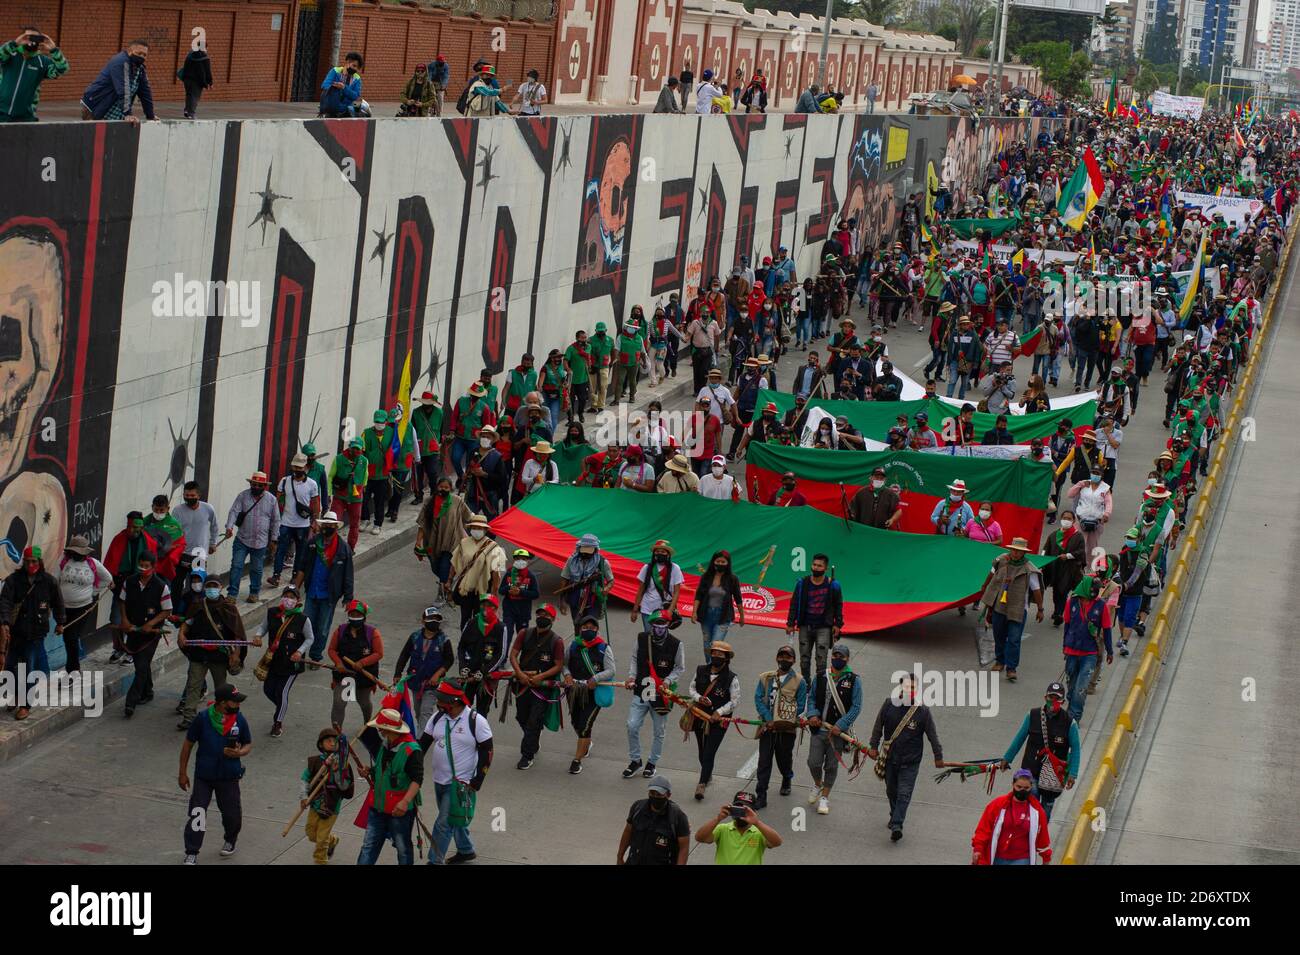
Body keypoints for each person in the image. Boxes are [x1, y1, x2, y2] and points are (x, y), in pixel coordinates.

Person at [416, 677, 492, 865]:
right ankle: (466, 850)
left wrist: (478, 779)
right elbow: (422, 745)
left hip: (461, 784)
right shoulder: (437, 718)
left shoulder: (476, 721)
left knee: (443, 823)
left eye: (441, 700)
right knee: (454, 817)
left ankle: (434, 861)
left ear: (454, 702)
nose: (438, 703)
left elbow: (487, 751)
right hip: (439, 780)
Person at [867, 673, 944, 841]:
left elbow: (932, 736)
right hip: (890, 758)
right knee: (891, 791)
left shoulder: (923, 711)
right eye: (907, 686)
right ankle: (895, 813)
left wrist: (938, 756)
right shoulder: (889, 704)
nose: (910, 690)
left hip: (911, 761)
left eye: (913, 687)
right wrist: (873, 746)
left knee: (904, 793)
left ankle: (897, 824)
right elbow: (878, 727)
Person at [179, 684, 250, 864]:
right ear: (223, 703)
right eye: (234, 702)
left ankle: (230, 839)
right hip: (204, 775)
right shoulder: (202, 719)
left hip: (229, 776)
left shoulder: (239, 719)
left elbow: (248, 743)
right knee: (198, 813)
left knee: (232, 814)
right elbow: (188, 745)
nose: (238, 705)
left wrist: (239, 753)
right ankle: (192, 851)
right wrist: (182, 773)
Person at [0, 547, 66, 720]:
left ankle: (25, 705)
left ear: (40, 562)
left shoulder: (49, 581)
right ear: (24, 562)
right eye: (28, 561)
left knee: (29, 669)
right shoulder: (13, 580)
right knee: (9, 667)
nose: (31, 564)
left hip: (36, 633)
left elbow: (58, 603)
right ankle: (15, 696)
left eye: (34, 561)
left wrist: (60, 622)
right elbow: (5, 602)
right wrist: (5, 622)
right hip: (15, 632)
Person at [1001, 683, 1079, 821]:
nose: (1053, 701)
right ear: (1045, 697)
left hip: (1054, 775)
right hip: (1031, 770)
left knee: (1045, 812)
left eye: (1057, 698)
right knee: (1033, 807)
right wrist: (1007, 758)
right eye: (1050, 697)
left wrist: (1073, 773)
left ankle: (1041, 831)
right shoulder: (1032, 715)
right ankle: (1032, 830)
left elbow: (1076, 749)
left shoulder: (1069, 723)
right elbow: (1019, 738)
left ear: (1063, 701)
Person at [355, 707, 422, 865]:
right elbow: (382, 770)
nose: (378, 730)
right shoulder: (386, 744)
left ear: (388, 729)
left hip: (399, 811)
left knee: (402, 848)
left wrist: (405, 802)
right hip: (377, 807)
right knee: (369, 846)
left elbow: (417, 780)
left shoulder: (412, 750)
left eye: (381, 727)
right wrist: (369, 771)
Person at [623, 611, 685, 779]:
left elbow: (679, 667)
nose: (659, 628)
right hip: (642, 689)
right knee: (632, 725)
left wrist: (668, 681)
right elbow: (634, 658)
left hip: (660, 694)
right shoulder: (641, 638)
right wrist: (631, 676)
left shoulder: (676, 644)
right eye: (656, 625)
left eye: (662, 625)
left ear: (668, 625)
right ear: (651, 625)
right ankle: (635, 760)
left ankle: (652, 763)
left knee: (659, 731)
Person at [804, 642, 861, 816]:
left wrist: (840, 725)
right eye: (835, 655)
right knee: (813, 762)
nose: (837, 658)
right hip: (819, 729)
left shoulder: (854, 680)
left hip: (837, 734)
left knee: (831, 766)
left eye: (841, 656)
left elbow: (856, 707)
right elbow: (811, 698)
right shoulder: (821, 676)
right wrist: (812, 714)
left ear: (847, 659)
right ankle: (818, 784)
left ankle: (825, 797)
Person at [290, 511, 354, 663]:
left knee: (322, 628)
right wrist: (294, 590)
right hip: (312, 592)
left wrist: (348, 597)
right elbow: (302, 567)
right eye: (325, 525)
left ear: (335, 527)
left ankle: (316, 656)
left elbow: (348, 574)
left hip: (329, 596)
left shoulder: (343, 549)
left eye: (330, 526)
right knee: (305, 625)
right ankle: (300, 654)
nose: (327, 528)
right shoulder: (312, 544)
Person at [977, 538, 1043, 682]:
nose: (1015, 553)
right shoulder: (1001, 561)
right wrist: (985, 586)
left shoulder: (1029, 569)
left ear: (1024, 553)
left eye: (1019, 551)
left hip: (1018, 609)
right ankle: (1000, 661)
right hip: (999, 606)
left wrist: (1040, 609)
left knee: (1014, 639)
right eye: (1014, 550)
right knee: (999, 635)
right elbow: (991, 574)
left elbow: (1036, 590)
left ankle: (1011, 668)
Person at [508, 603, 564, 770]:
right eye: (540, 614)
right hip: (522, 683)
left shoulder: (556, 641)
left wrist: (541, 676)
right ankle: (533, 739)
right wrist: (519, 673)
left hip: (542, 687)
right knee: (521, 717)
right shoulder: (524, 633)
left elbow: (558, 665)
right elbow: (513, 655)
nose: (542, 617)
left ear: (553, 619)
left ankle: (527, 755)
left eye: (546, 615)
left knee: (534, 720)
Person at [256, 584, 312, 737]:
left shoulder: (303, 619)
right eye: (286, 596)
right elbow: (263, 627)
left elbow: (310, 638)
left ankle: (278, 722)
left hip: (291, 665)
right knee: (268, 690)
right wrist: (258, 636)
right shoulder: (272, 613)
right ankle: (282, 706)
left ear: (297, 600)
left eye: (292, 597)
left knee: (281, 692)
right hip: (273, 661)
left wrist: (299, 652)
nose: (288, 599)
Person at [562, 615, 617, 774]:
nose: (588, 630)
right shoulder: (573, 646)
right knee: (576, 722)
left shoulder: (603, 648)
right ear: (580, 629)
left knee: (585, 725)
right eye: (585, 627)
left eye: (592, 628)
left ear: (597, 630)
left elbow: (611, 670)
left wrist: (596, 678)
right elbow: (564, 665)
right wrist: (567, 674)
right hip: (574, 691)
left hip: (593, 693)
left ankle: (577, 760)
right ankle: (586, 743)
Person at [753, 645, 805, 810]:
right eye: (781, 656)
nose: (784, 659)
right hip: (767, 728)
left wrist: (784, 720)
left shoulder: (800, 681)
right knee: (764, 762)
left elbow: (801, 705)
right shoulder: (766, 677)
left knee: (784, 760)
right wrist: (768, 719)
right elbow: (758, 698)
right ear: (776, 658)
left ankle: (787, 777)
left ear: (794, 660)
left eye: (788, 657)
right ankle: (761, 795)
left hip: (786, 730)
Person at [688, 641, 740, 801]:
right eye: (714, 653)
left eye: (720, 654)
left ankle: (702, 784)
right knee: (702, 750)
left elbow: (735, 701)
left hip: (719, 721)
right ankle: (707, 773)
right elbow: (691, 688)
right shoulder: (700, 670)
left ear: (726, 658)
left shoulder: (732, 678)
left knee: (710, 751)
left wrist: (719, 711)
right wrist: (699, 698)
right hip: (699, 715)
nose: (716, 656)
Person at [298, 726, 355, 864]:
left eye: (334, 740)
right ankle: (333, 840)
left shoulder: (342, 764)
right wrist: (304, 797)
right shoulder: (314, 761)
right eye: (328, 740)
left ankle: (320, 860)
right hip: (315, 804)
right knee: (311, 834)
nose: (332, 743)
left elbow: (344, 786)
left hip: (332, 806)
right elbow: (305, 779)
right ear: (320, 744)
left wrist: (337, 772)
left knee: (321, 838)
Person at [1060, 574, 1114, 722]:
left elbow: (1107, 629)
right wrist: (1065, 646)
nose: (1095, 592)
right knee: (1071, 686)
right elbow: (1067, 625)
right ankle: (1070, 710)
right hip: (1071, 651)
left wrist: (1110, 651)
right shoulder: (1071, 602)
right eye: (1093, 589)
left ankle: (1074, 717)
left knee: (1081, 687)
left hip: (1090, 653)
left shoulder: (1101, 606)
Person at [971, 770, 1052, 865]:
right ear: (1013, 785)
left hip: (1022, 859)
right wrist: (978, 849)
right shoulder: (997, 805)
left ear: (1031, 787)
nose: (1022, 790)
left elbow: (1042, 836)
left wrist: (1046, 858)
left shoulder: (1037, 811)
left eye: (1026, 788)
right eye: (1019, 787)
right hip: (996, 856)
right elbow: (983, 829)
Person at [56, 536, 112, 675]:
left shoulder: (93, 563)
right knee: (68, 638)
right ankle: (74, 669)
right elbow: (54, 579)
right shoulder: (63, 560)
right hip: (63, 607)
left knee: (71, 638)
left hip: (82, 608)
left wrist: (93, 592)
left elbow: (107, 579)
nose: (78, 555)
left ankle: (73, 671)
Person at [225, 470, 280, 604]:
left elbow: (276, 520)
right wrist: (229, 527)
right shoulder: (242, 496)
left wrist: (274, 539)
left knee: (256, 569)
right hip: (242, 539)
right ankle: (232, 594)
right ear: (250, 484)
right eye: (254, 484)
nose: (256, 487)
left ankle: (254, 593)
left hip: (260, 542)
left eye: (259, 485)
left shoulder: (272, 500)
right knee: (236, 566)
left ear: (264, 486)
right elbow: (234, 511)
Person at [394, 606, 454, 728]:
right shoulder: (415, 637)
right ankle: (426, 731)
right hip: (415, 681)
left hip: (432, 684)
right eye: (430, 618)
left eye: (436, 619)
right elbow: (404, 655)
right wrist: (397, 673)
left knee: (426, 712)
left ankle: (421, 738)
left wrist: (437, 675)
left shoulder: (444, 640)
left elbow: (449, 660)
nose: (434, 621)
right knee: (418, 711)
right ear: (423, 621)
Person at [786, 553, 842, 683]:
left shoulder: (833, 585)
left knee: (821, 660)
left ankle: (819, 686)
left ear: (825, 568)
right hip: (805, 626)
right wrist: (790, 623)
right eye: (814, 564)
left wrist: (838, 624)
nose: (816, 567)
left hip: (824, 627)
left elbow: (838, 605)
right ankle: (806, 684)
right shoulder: (802, 583)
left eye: (819, 566)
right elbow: (794, 603)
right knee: (804, 660)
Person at [327, 599, 383, 730]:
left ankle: (367, 726)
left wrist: (362, 663)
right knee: (339, 703)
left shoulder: (372, 633)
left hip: (364, 675)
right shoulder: (340, 631)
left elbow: (379, 653)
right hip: (344, 674)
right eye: (352, 614)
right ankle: (336, 734)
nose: (355, 617)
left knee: (364, 702)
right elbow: (331, 650)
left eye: (358, 615)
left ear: (364, 616)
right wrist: (338, 663)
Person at [448, 514, 506, 632]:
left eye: (479, 528)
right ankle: (464, 639)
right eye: (474, 527)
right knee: (465, 619)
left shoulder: (493, 547)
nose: (477, 530)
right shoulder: (464, 543)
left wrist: (494, 593)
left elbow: (496, 573)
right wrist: (449, 580)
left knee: (480, 620)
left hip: (483, 590)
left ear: (485, 530)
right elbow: (454, 562)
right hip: (466, 589)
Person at [269, 453, 320, 588]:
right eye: (295, 467)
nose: (297, 470)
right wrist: (276, 516)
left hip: (303, 524)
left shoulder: (312, 484)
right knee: (281, 549)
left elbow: (315, 503)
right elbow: (277, 500)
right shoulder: (284, 481)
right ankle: (276, 575)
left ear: (305, 467)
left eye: (300, 467)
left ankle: (295, 576)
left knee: (300, 552)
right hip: (286, 522)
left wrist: (315, 521)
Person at [415, 475, 470, 595]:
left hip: (451, 542)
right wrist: (418, 542)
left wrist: (479, 526)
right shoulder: (428, 502)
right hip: (432, 543)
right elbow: (422, 524)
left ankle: (442, 594)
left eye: (446, 487)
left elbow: (469, 516)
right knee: (436, 568)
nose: (443, 489)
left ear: (450, 489)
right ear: (436, 487)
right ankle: (449, 584)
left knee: (444, 567)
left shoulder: (457, 501)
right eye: (441, 487)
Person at [618, 775, 691, 864]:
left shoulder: (678, 816)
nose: (655, 797)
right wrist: (620, 857)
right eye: (652, 793)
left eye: (659, 794)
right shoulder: (638, 808)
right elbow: (628, 831)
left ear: (668, 795)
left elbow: (684, 848)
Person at [695, 790, 782, 864]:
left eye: (745, 811)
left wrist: (757, 823)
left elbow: (777, 842)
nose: (741, 814)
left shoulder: (760, 832)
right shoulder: (722, 829)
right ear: (731, 808)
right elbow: (700, 838)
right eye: (738, 809)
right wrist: (717, 819)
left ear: (754, 812)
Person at [1, 28, 67, 123]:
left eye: (35, 38)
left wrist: (54, 50)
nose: (31, 41)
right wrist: (14, 43)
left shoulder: (42, 62)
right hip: (1, 113)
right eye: (28, 37)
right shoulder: (11, 54)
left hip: (26, 116)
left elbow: (62, 69)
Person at [80, 39, 155, 122]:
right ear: (130, 51)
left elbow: (145, 92)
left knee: (114, 129)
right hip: (97, 105)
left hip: (114, 109)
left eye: (144, 55)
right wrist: (128, 114)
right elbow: (123, 89)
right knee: (97, 130)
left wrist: (150, 116)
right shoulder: (121, 62)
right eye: (139, 53)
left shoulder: (140, 69)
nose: (142, 57)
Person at [690, 549, 744, 655]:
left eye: (723, 562)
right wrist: (694, 612)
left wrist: (742, 616)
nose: (720, 564)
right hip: (706, 615)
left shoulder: (733, 579)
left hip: (723, 616)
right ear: (713, 562)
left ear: (728, 563)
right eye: (718, 561)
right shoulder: (706, 577)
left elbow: (738, 598)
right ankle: (709, 664)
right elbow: (699, 595)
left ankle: (715, 664)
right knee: (707, 644)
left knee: (716, 645)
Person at [1042, 509, 1086, 626]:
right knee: (1056, 591)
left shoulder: (1078, 536)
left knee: (1063, 590)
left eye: (1069, 519)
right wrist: (1042, 562)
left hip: (1069, 569)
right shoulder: (1054, 535)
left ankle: (1059, 614)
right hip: (1055, 568)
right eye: (1064, 518)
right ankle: (1057, 610)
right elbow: (1045, 550)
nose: (1066, 520)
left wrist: (1067, 556)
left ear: (1073, 521)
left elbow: (1081, 552)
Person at [631, 539, 683, 633]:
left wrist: (670, 610)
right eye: (657, 551)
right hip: (648, 608)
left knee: (661, 635)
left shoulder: (675, 568)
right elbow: (641, 590)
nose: (660, 553)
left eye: (663, 552)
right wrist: (635, 610)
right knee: (648, 634)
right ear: (654, 553)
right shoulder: (647, 568)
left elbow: (676, 592)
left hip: (665, 610)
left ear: (668, 554)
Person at [329, 438, 369, 548]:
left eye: (358, 449)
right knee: (333, 522)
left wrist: (360, 489)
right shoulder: (339, 459)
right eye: (354, 448)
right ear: (349, 448)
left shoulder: (364, 461)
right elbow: (331, 476)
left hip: (356, 498)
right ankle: (332, 546)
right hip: (340, 496)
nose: (356, 451)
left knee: (355, 524)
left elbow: (365, 477)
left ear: (362, 450)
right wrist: (329, 493)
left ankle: (351, 547)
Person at [409, 393, 443, 503]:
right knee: (418, 474)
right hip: (419, 448)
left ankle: (434, 493)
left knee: (432, 472)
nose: (426, 405)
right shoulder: (416, 412)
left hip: (433, 449)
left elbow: (441, 429)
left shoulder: (439, 413)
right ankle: (418, 496)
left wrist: (440, 444)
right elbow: (412, 431)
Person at [318, 52, 364, 118]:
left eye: (357, 67)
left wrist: (344, 88)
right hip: (333, 105)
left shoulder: (357, 78)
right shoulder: (335, 71)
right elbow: (324, 85)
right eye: (354, 66)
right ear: (347, 63)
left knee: (359, 103)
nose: (355, 69)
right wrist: (335, 87)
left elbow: (356, 96)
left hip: (347, 107)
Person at [177, 42, 212, 119]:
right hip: (197, 81)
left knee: (189, 95)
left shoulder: (190, 55)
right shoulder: (205, 58)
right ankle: (191, 113)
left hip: (187, 80)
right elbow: (207, 71)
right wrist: (210, 82)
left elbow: (185, 66)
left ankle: (187, 110)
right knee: (195, 97)